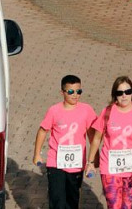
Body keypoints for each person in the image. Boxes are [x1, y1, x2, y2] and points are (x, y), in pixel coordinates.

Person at [86, 77, 132, 209]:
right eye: (119, 93)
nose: (124, 96)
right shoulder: (107, 112)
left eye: (127, 91)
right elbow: (96, 139)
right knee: (114, 204)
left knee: (127, 205)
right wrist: (90, 162)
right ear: (114, 95)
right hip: (110, 168)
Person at [33, 75, 96, 209]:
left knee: (72, 199)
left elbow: (92, 135)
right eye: (71, 92)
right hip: (56, 162)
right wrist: (37, 154)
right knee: (57, 199)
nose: (75, 95)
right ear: (62, 92)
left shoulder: (87, 110)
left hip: (77, 163)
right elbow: (43, 131)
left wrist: (94, 156)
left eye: (78, 91)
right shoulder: (54, 110)